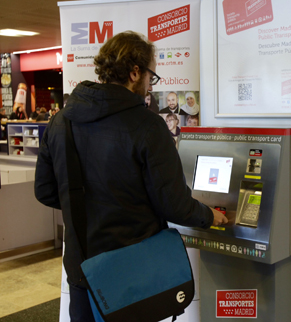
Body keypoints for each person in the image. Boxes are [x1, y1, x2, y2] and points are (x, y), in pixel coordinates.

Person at [34, 31, 227, 322]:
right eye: (151, 76)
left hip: (82, 268)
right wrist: (210, 216)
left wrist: (90, 206)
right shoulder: (148, 126)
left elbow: (46, 190)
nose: (151, 84)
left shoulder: (61, 120)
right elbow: (173, 204)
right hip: (130, 271)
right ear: (135, 72)